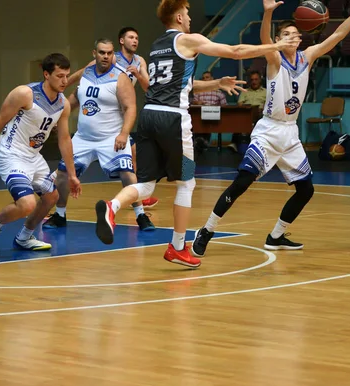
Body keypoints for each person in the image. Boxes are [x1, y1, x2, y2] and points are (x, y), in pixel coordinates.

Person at [93, 0, 300, 268]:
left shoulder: (156, 47)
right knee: (187, 183)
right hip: (173, 119)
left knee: (146, 185)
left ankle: (112, 207)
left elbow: (185, 85)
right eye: (188, 13)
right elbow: (235, 51)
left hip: (148, 117)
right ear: (179, 17)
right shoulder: (188, 39)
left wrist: (216, 83)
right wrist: (277, 46)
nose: (190, 18)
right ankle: (178, 246)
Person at [191, 0, 350, 257]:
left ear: (300, 39)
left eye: (294, 34)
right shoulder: (274, 58)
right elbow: (265, 36)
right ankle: (207, 231)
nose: (291, 38)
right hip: (268, 130)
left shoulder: (308, 57)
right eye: (285, 35)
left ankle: (276, 235)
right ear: (278, 40)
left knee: (306, 189)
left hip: (290, 132)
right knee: (242, 182)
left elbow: (338, 35)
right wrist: (268, 13)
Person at [0, 53, 81, 257]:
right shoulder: (24, 94)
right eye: (59, 76)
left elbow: (64, 139)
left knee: (51, 197)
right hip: (11, 155)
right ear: (46, 74)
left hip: (34, 157)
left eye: (67, 76)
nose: (65, 81)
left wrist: (72, 175)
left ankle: (24, 237)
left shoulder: (62, 104)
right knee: (27, 204)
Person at [43, 39, 155, 231]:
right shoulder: (86, 72)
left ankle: (141, 216)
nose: (106, 56)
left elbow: (131, 108)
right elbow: (74, 99)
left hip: (111, 137)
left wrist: (124, 133)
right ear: (94, 53)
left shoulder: (120, 78)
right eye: (102, 52)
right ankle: (60, 215)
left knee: (128, 175)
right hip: (83, 138)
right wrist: (56, 116)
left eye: (109, 53)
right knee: (62, 175)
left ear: (113, 54)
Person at [65, 27, 159, 209]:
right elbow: (84, 71)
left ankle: (135, 195)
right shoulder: (111, 57)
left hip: (121, 108)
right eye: (131, 37)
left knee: (133, 154)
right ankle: (136, 197)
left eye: (137, 38)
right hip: (105, 108)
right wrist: (62, 84)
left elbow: (148, 88)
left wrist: (138, 74)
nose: (135, 41)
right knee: (131, 153)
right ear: (122, 41)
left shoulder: (140, 61)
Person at [191, 70, 228, 151]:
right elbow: (192, 104)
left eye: (207, 77)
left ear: (212, 79)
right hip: (199, 117)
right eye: (203, 78)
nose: (205, 80)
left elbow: (225, 107)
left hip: (214, 117)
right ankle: (200, 143)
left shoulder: (219, 93)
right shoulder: (198, 93)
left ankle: (202, 143)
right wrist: (197, 102)